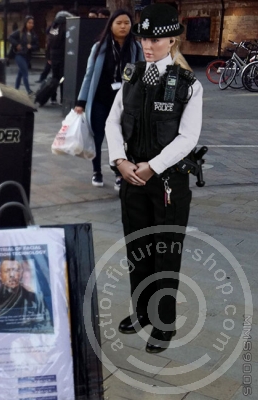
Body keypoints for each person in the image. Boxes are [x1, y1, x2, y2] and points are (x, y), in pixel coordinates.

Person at [105, 3, 203, 354]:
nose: (148, 45)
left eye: (156, 40)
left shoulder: (188, 85)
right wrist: (119, 160)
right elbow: (113, 122)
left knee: (165, 253)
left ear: (172, 41)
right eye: (144, 37)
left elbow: (188, 138)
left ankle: (163, 322)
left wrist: (152, 166)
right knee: (137, 248)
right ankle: (142, 311)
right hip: (131, 179)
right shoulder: (132, 77)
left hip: (166, 184)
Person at [74, 9, 143, 190]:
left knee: (120, 140)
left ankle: (119, 173)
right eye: (119, 23)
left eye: (127, 23)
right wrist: (81, 102)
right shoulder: (99, 47)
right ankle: (97, 171)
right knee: (97, 137)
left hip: (124, 103)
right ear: (111, 25)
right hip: (100, 101)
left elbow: (142, 74)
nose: (123, 26)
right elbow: (89, 75)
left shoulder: (135, 48)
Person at [0, 259, 52, 333]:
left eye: (15, 270)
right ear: (0, 276)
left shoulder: (36, 300)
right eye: (7, 271)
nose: (12, 275)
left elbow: (46, 327)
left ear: (21, 274)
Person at [46, 11, 73, 104]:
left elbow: (48, 43)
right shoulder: (65, 27)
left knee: (54, 78)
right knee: (62, 78)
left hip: (53, 55)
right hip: (62, 56)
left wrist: (48, 56)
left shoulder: (53, 27)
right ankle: (62, 98)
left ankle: (53, 98)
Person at [8, 16, 39, 95]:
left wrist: (31, 46)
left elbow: (37, 46)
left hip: (27, 56)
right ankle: (29, 91)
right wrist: (17, 44)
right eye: (29, 23)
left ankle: (16, 90)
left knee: (20, 73)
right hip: (19, 55)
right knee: (25, 72)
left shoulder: (33, 34)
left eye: (32, 23)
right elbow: (10, 37)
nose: (31, 24)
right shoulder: (20, 32)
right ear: (25, 23)